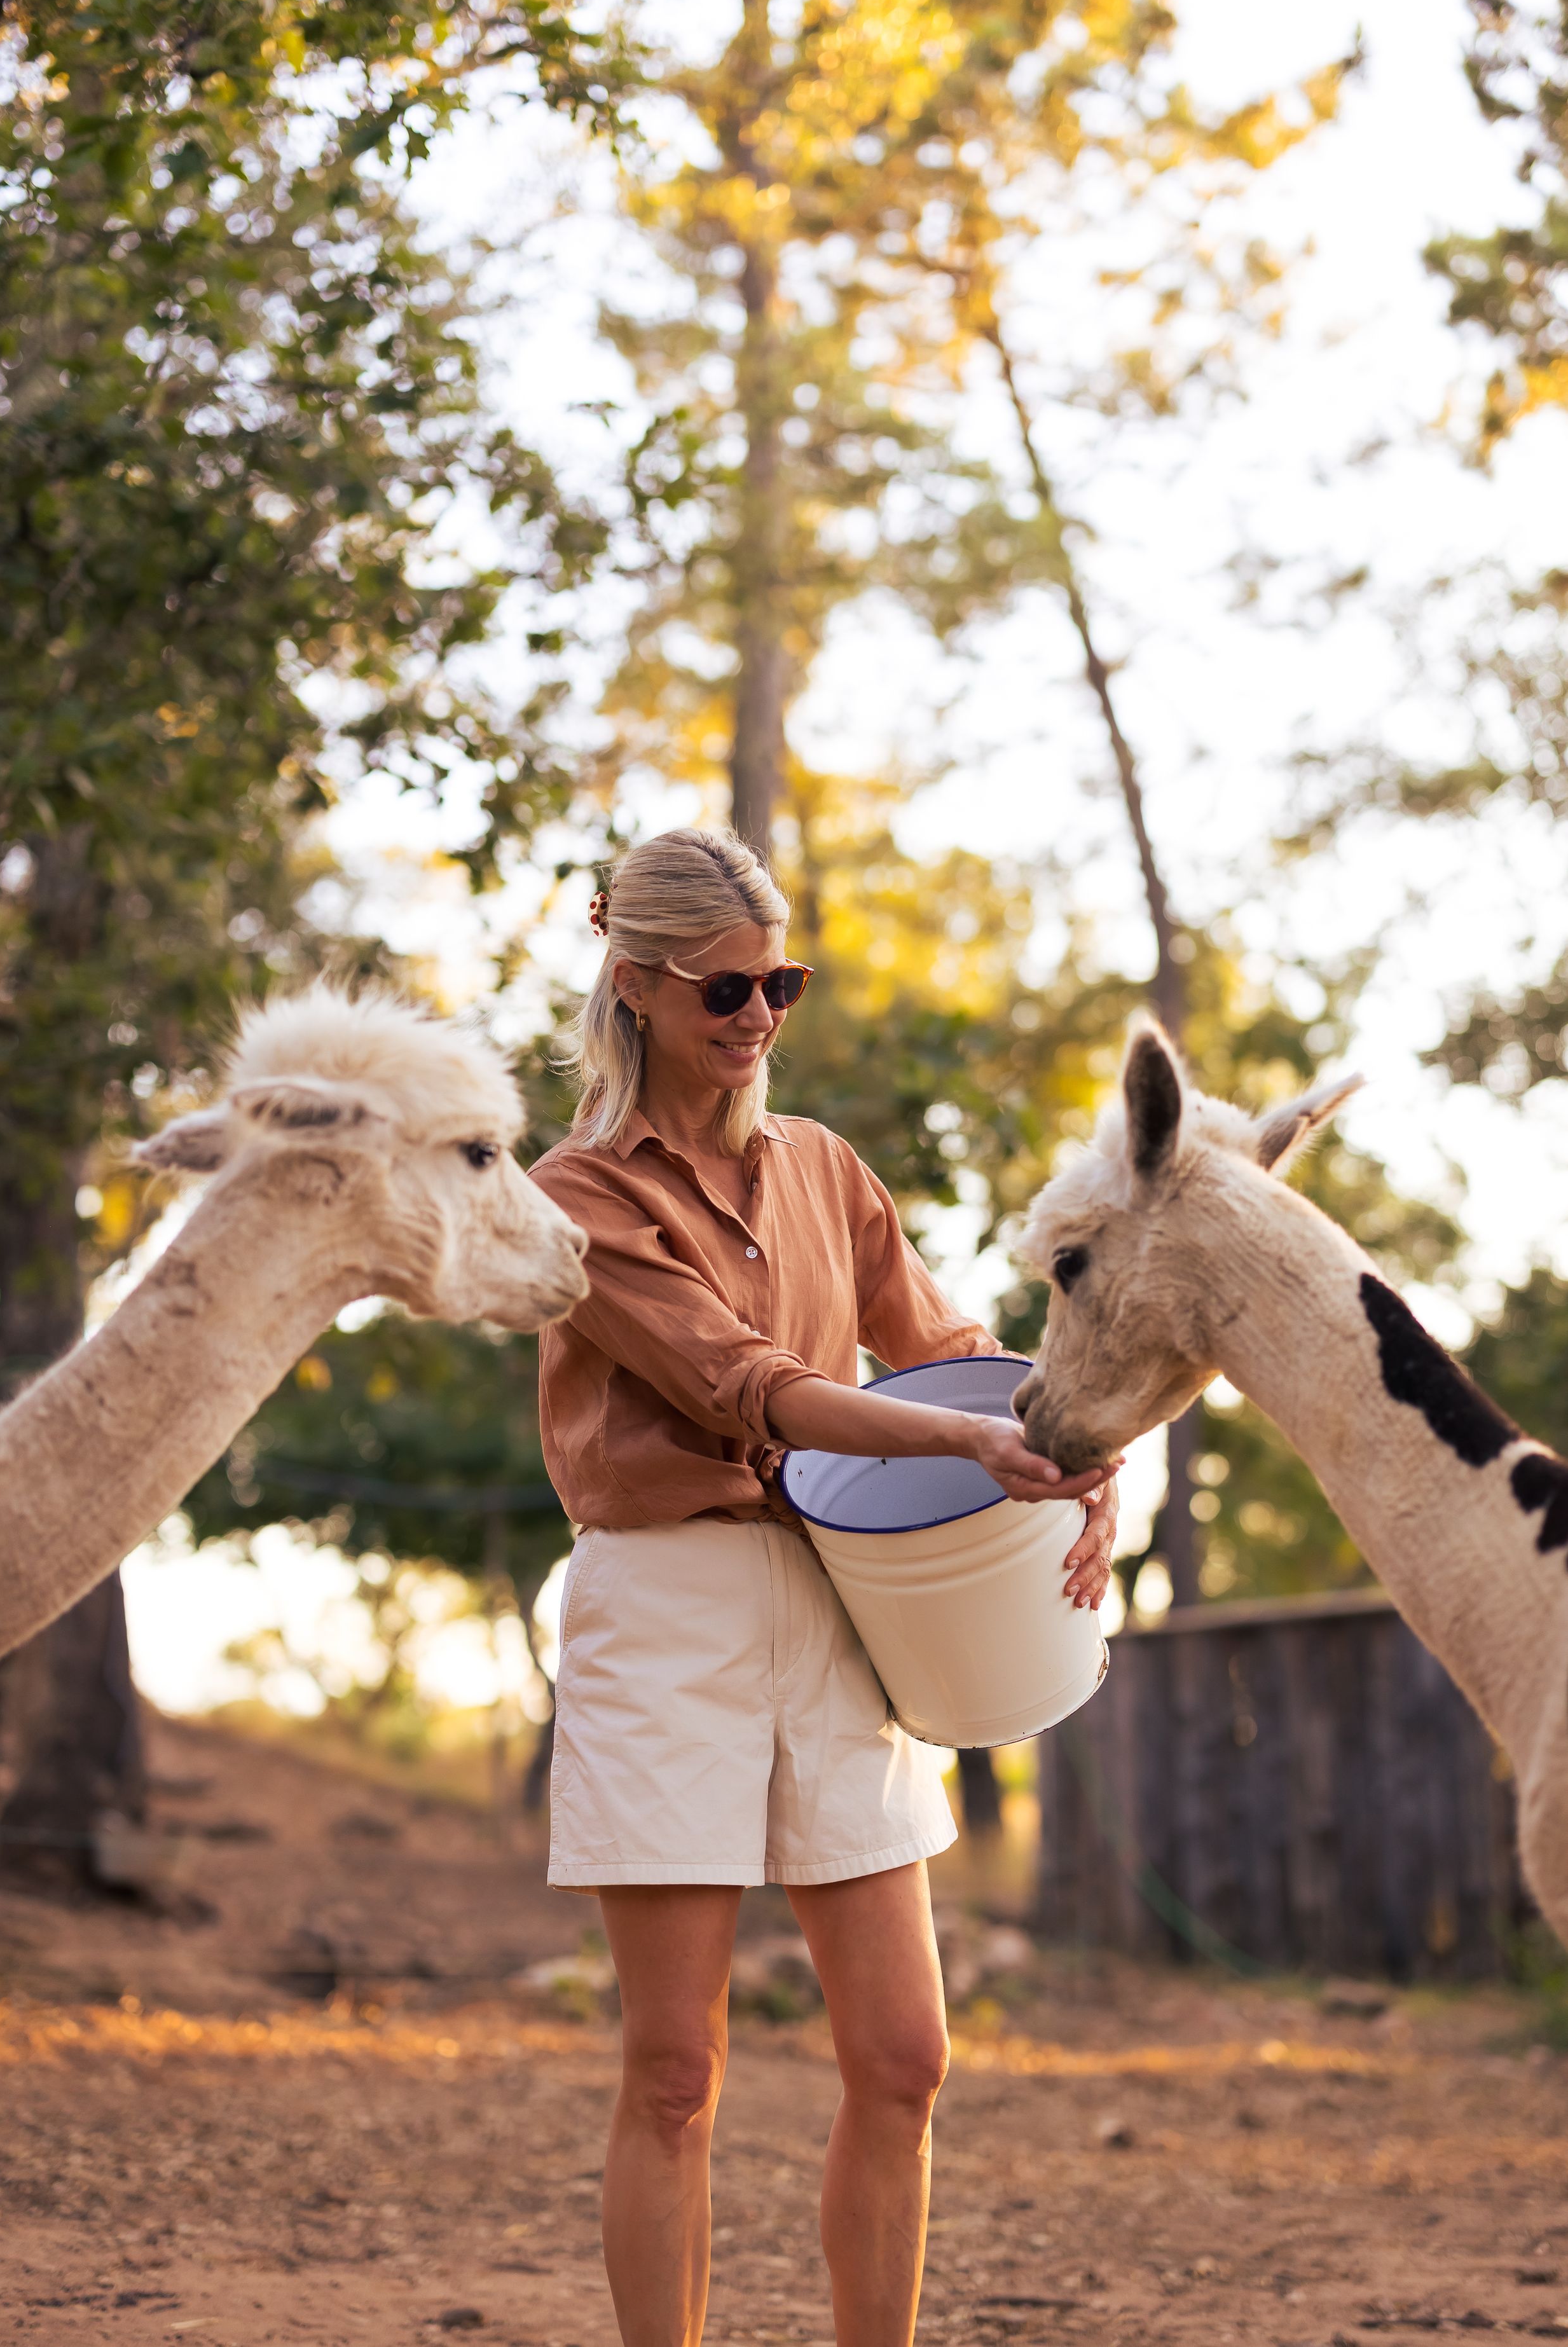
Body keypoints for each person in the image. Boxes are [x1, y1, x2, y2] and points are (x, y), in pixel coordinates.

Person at [530, 825, 1119, 2347]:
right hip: (662, 1617)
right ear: (639, 983)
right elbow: (749, 1386)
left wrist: (1071, 1442)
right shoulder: (576, 1193)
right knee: (674, 2070)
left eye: (779, 980)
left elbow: (940, 1346)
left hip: (837, 1600)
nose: (757, 1015)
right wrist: (964, 1439)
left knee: (906, 2057)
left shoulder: (825, 1170)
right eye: (726, 986)